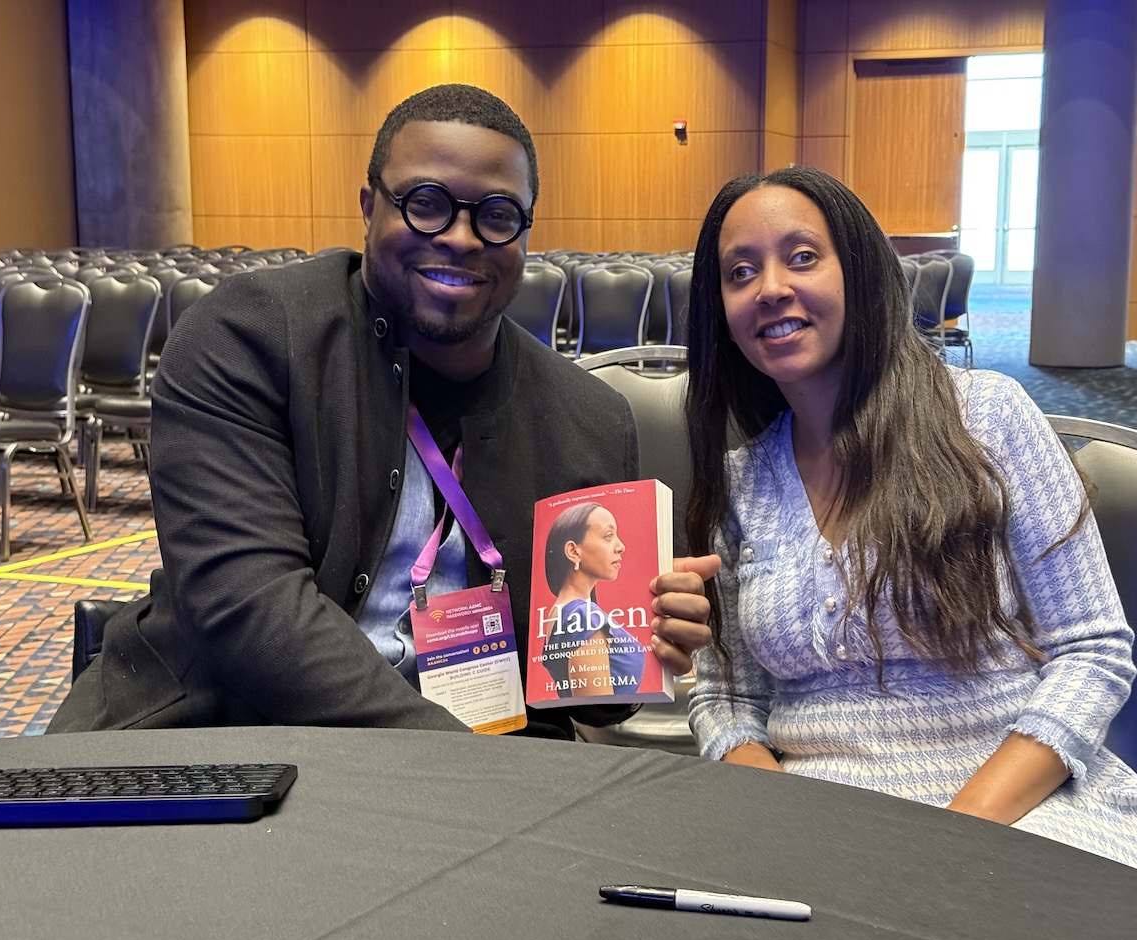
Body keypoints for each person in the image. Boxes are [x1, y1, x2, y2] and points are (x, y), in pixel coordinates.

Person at [48, 83, 716, 739]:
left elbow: (591, 701)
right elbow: (250, 610)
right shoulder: (248, 337)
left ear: (526, 233)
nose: (460, 236)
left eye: (497, 214)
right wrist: (466, 767)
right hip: (229, 736)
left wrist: (642, 645)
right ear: (369, 207)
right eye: (425, 203)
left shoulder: (588, 418)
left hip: (490, 773)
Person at [682, 165, 1137, 879]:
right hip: (821, 828)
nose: (771, 289)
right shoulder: (741, 481)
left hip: (1022, 811)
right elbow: (727, 696)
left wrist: (951, 839)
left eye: (801, 257)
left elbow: (1093, 652)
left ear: (858, 272)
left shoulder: (989, 417)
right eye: (739, 272)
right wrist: (774, 812)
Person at [539, 502, 648, 698]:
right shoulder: (582, 616)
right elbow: (596, 706)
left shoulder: (563, 611)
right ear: (573, 551)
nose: (620, 546)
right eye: (608, 536)